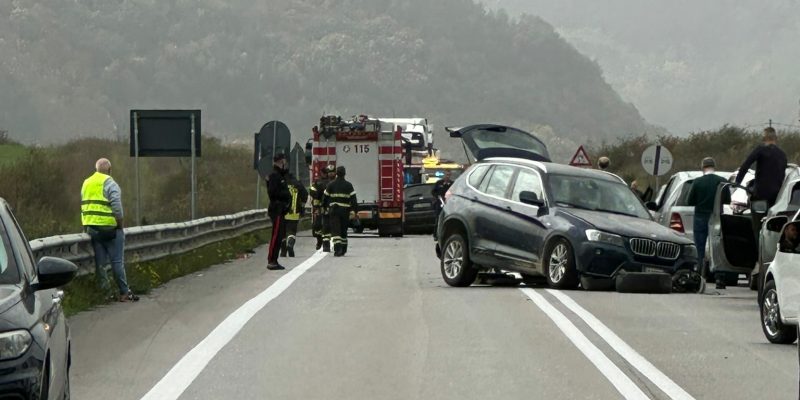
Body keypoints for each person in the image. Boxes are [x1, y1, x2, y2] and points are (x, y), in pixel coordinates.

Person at [81, 158, 139, 302]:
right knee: (117, 262)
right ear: (110, 170)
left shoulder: (86, 183)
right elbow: (117, 208)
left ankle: (105, 293)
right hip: (110, 230)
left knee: (100, 264)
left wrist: (85, 228)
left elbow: (84, 206)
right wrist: (120, 225)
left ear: (96, 169)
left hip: (92, 230)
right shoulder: (110, 183)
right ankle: (124, 292)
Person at [687, 157, 731, 289]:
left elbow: (690, 201)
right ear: (714, 166)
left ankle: (699, 277)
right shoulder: (722, 181)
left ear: (703, 167)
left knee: (700, 248)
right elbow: (727, 200)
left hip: (700, 216)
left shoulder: (697, 182)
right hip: (716, 216)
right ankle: (720, 278)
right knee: (717, 247)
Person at [735, 126, 787, 236]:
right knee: (775, 229)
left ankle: (759, 251)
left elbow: (745, 166)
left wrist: (737, 182)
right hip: (777, 198)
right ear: (776, 138)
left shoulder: (760, 150)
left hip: (760, 196)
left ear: (763, 139)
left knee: (758, 228)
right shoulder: (782, 154)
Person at [324, 166, 358, 257]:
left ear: (336, 173)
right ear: (344, 174)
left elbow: (325, 198)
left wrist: (325, 207)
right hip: (345, 212)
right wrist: (355, 211)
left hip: (334, 211)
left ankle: (337, 249)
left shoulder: (331, 184)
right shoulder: (349, 185)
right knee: (343, 230)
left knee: (336, 231)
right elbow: (354, 199)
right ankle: (343, 249)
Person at [266, 154, 291, 270]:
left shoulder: (280, 176)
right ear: (280, 162)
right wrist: (285, 196)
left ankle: (274, 260)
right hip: (277, 209)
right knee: (276, 236)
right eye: (284, 163)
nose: (285, 165)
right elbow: (273, 193)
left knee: (280, 235)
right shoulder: (274, 176)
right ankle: (271, 260)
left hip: (281, 209)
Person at [280, 172, 309, 258]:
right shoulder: (297, 184)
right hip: (294, 212)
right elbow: (305, 195)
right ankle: (290, 244)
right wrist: (302, 206)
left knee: (282, 233)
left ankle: (283, 251)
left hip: (281, 212)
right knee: (291, 232)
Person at [310, 164, 336, 252]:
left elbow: (314, 194)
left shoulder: (320, 183)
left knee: (321, 226)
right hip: (329, 208)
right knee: (325, 226)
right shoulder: (322, 183)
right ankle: (324, 243)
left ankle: (321, 243)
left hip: (323, 208)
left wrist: (316, 207)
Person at [431, 170, 454, 237]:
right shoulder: (439, 183)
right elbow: (433, 192)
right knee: (438, 219)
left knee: (449, 219)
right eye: (446, 175)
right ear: (444, 175)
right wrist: (437, 196)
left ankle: (447, 234)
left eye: (449, 175)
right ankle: (436, 235)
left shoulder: (452, 184)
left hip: (449, 204)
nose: (447, 176)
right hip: (440, 204)